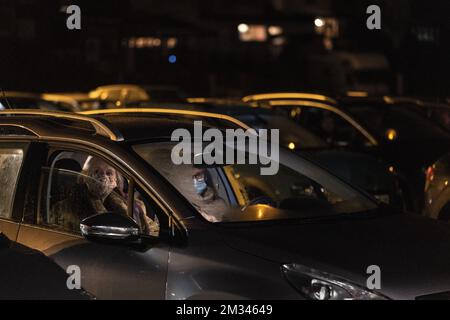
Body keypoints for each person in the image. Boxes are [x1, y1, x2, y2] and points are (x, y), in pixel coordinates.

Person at [51, 156, 128, 231]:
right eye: (96, 172)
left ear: (116, 181)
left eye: (109, 173)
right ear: (85, 177)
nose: (103, 177)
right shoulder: (63, 208)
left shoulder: (126, 206)